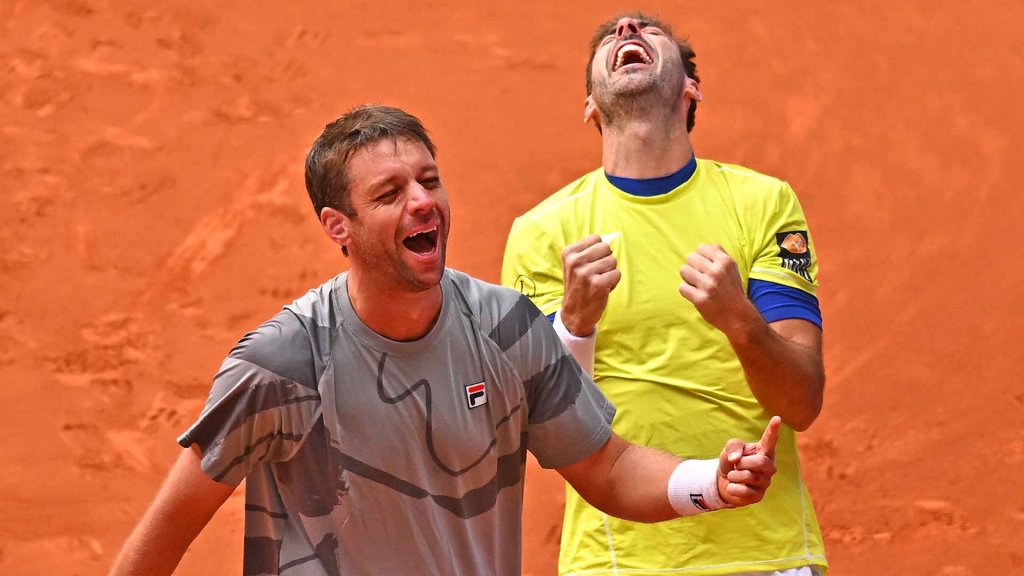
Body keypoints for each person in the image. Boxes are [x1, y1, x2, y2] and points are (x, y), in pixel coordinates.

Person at [109, 104, 782, 576]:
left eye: (429, 181)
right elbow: (171, 525)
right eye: (390, 193)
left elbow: (605, 467)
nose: (422, 202)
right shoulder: (283, 364)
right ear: (337, 226)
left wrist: (711, 483)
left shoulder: (505, 328)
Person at [502, 13, 828, 576]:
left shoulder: (763, 204)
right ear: (590, 106)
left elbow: (801, 402)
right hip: (617, 561)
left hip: (765, 556)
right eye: (612, 37)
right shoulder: (543, 232)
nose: (627, 27)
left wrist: (740, 321)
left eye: (651, 32)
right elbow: (545, 425)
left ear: (689, 88)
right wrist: (575, 323)